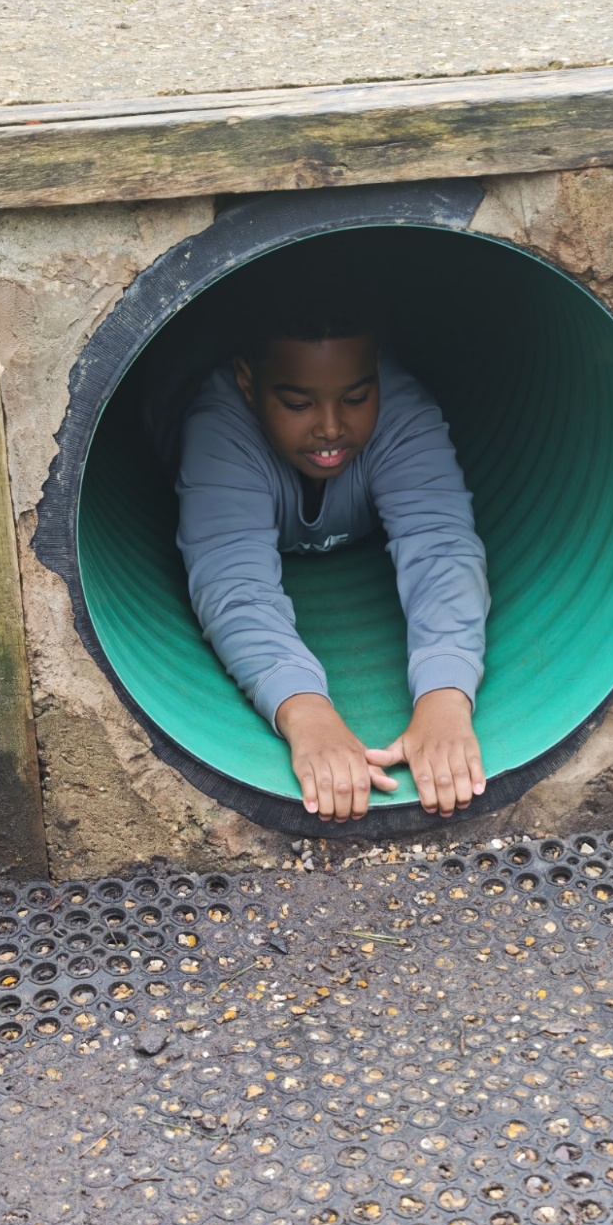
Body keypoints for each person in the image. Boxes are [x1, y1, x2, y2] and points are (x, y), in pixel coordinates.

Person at [171, 264, 490, 825]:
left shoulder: (403, 415)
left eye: (357, 397)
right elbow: (232, 583)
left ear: (377, 373)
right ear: (249, 384)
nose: (330, 427)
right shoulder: (221, 430)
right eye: (298, 404)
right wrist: (307, 715)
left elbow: (441, 547)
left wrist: (445, 696)